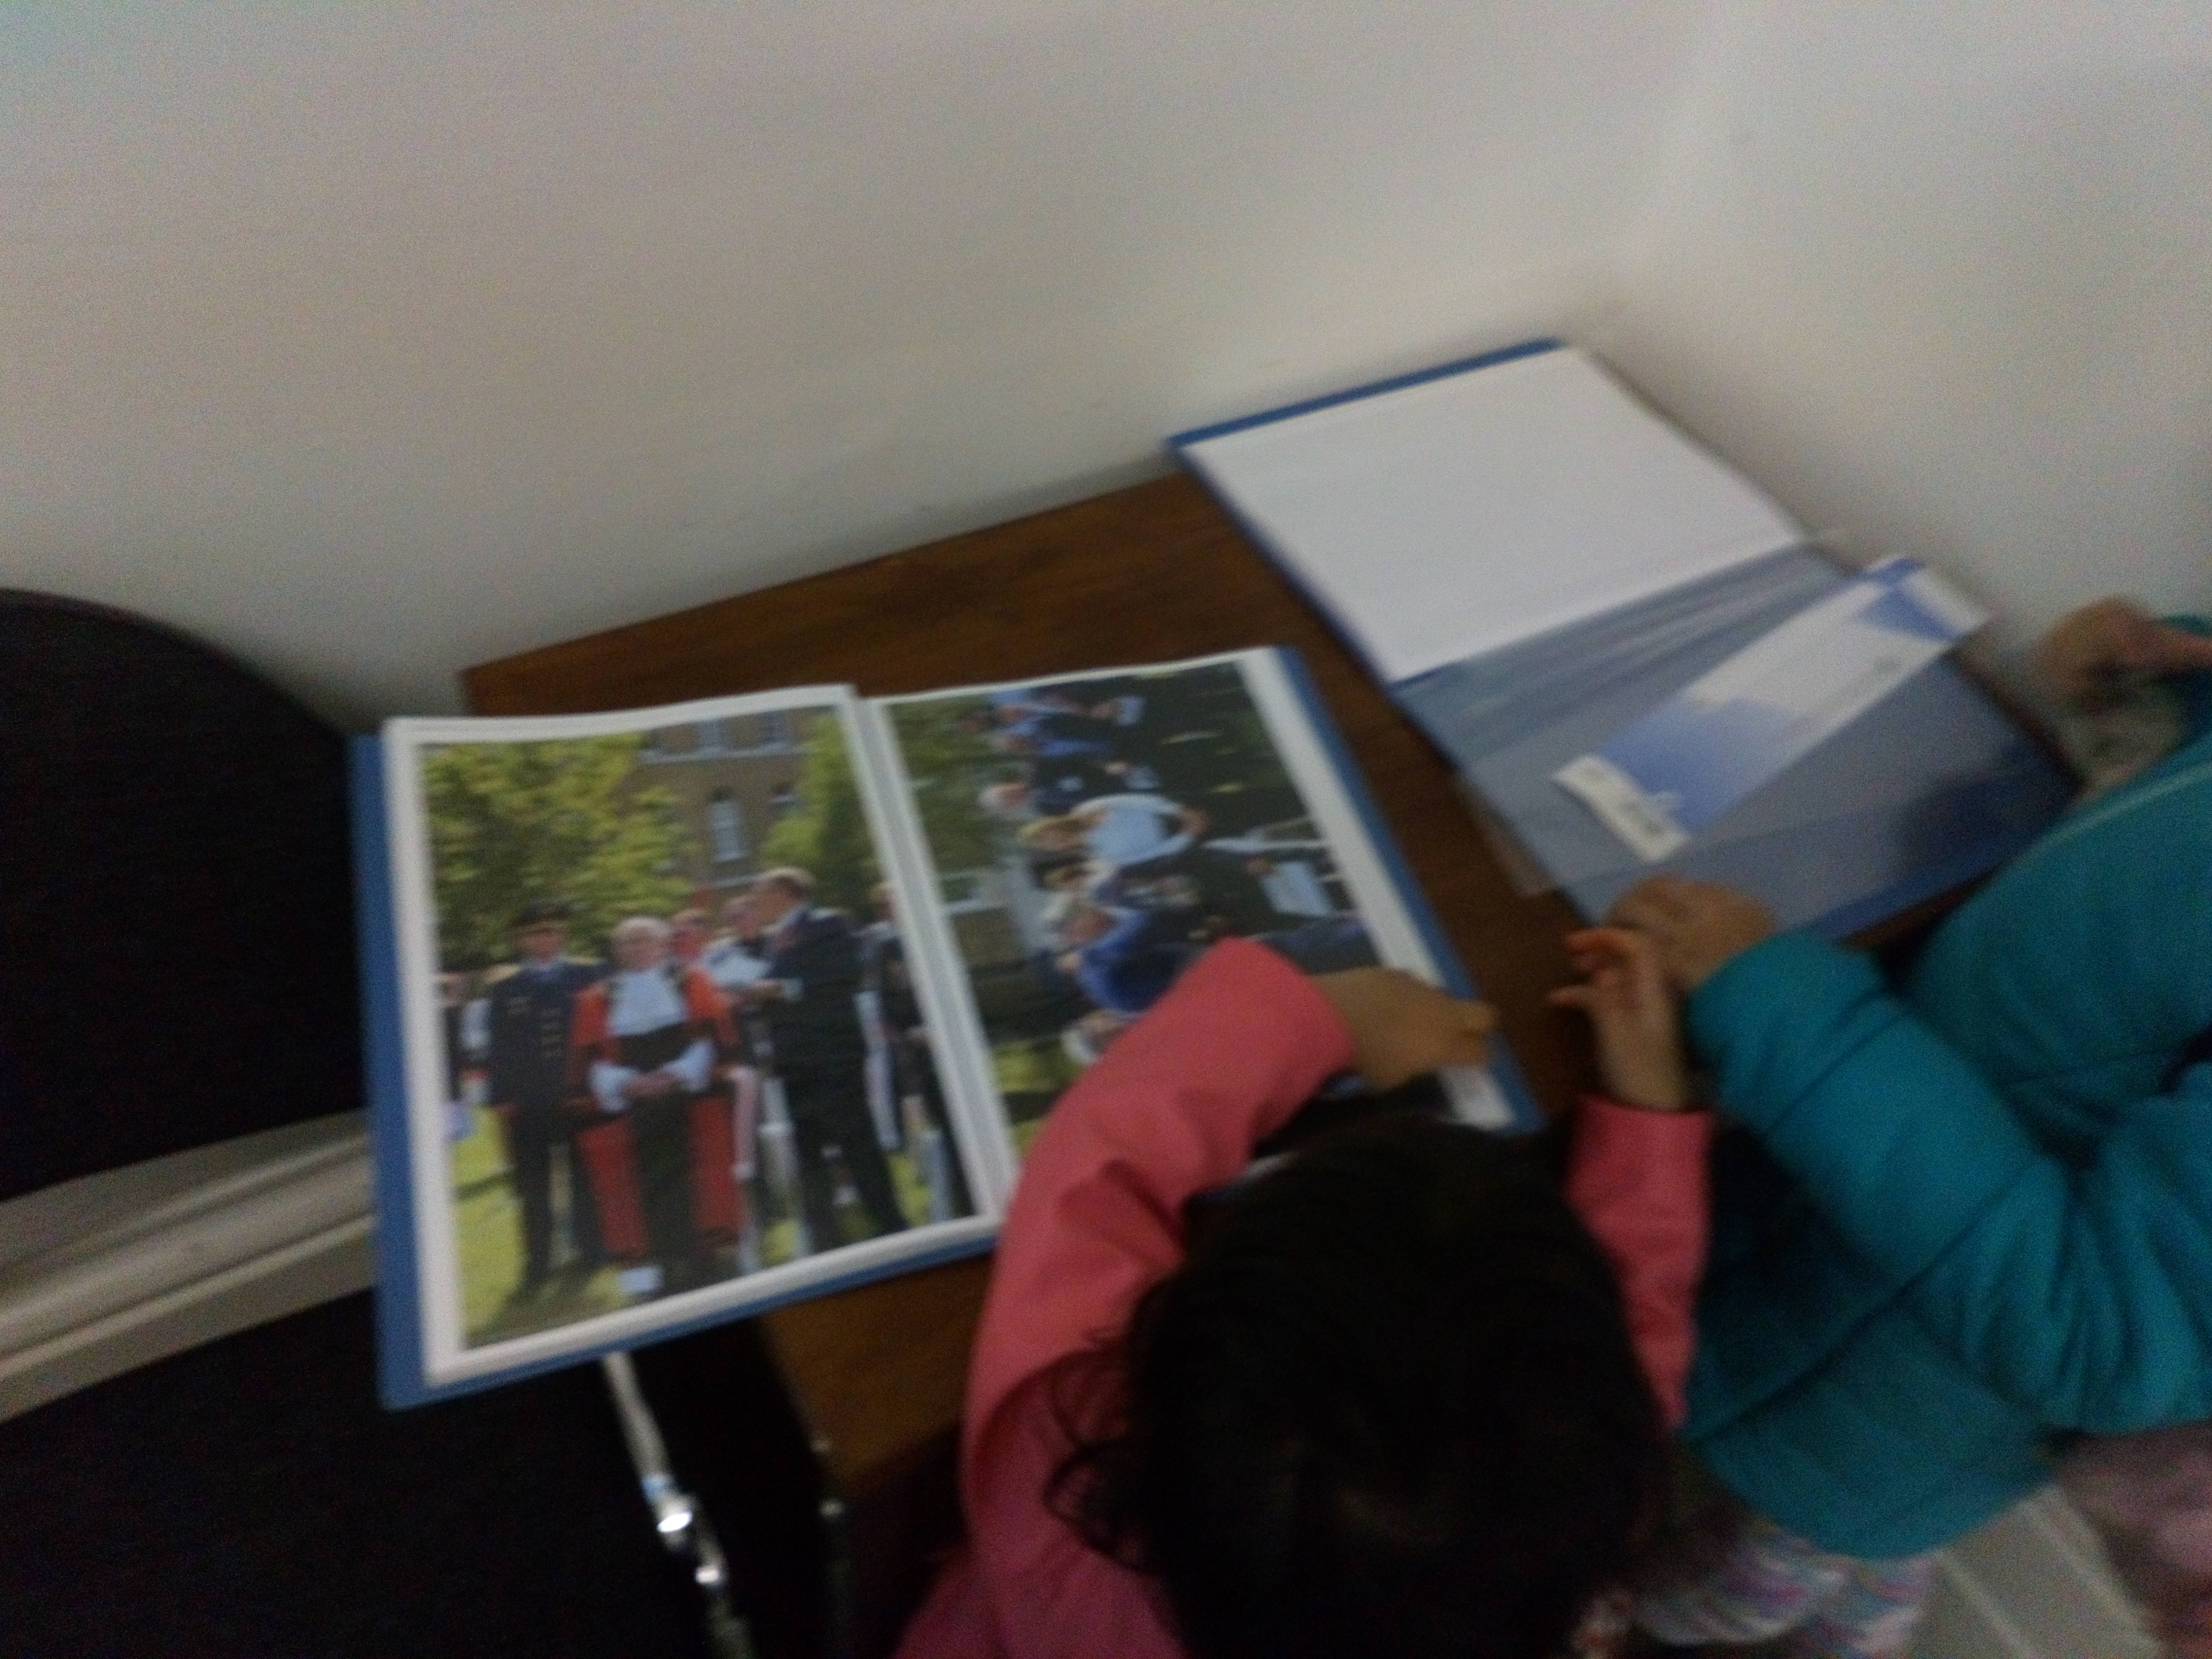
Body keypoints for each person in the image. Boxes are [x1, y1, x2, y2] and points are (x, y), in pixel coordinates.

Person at [1610, 596, 2212, 1657]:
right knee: (1847, 1543)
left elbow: (2092, 1329)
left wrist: (1776, 1007)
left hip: (1881, 1375)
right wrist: (2167, 682)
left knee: (1749, 1573)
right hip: (1852, 1238)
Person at [895, 925, 1714, 1659]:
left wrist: (1317, 1020)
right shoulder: (1568, 1510)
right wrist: (1647, 1123)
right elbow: (1617, 1375)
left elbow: (1096, 1169)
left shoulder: (1053, 1485)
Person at [730, 867, 911, 1247]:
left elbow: (845, 974)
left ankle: (890, 1225)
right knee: (808, 1151)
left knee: (855, 1140)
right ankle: (826, 1237)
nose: (757, 903)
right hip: (793, 1060)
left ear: (784, 893)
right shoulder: (776, 939)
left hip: (832, 1053)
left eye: (761, 895)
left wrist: (783, 988)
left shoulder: (828, 923)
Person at [566, 915, 737, 1298]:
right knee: (642, 1187)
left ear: (663, 945)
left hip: (689, 1101)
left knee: (694, 1179)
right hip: (631, 1107)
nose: (636, 948)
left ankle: (703, 1262)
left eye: (644, 940)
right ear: (615, 951)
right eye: (627, 942)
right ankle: (658, 1270)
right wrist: (628, 1084)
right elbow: (589, 1060)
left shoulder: (692, 981)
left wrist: (675, 1075)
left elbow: (711, 1039)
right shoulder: (596, 999)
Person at [482, 901, 604, 1296]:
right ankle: (538, 1265)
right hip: (528, 1104)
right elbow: (498, 1048)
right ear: (521, 941)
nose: (544, 940)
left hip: (577, 1096)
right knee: (534, 1187)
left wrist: (598, 1084)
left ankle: (592, 1253)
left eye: (550, 932)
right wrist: (501, 1096)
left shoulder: (587, 976)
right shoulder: (505, 989)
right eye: (534, 934)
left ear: (561, 935)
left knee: (584, 1179)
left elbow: (602, 1033)